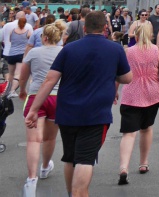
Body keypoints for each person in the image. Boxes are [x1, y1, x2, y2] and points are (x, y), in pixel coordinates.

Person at [25, 10, 133, 197]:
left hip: (67, 112)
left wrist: (34, 109)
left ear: (84, 28)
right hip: (96, 114)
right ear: (105, 28)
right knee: (85, 159)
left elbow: (49, 80)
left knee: (70, 157)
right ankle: (79, 192)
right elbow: (127, 78)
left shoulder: (69, 48)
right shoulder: (115, 49)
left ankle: (71, 193)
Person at [115, 20, 159, 185]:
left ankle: (123, 167)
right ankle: (143, 163)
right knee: (146, 129)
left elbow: (119, 74)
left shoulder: (127, 51)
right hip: (152, 94)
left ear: (135, 35)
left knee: (129, 134)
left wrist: (114, 91)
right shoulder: (157, 50)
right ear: (151, 35)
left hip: (131, 94)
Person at [18, 22, 63, 197]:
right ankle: (45, 167)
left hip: (36, 96)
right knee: (50, 138)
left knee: (33, 141)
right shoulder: (63, 52)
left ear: (43, 38)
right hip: (57, 97)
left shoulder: (33, 53)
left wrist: (22, 91)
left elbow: (23, 77)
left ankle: (31, 180)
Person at [2, 10, 32, 90]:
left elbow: (2, 39)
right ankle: (13, 90)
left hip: (8, 52)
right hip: (22, 53)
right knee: (18, 73)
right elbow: (31, 41)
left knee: (8, 71)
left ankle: (7, 87)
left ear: (16, 16)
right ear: (24, 17)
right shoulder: (28, 26)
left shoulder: (7, 25)